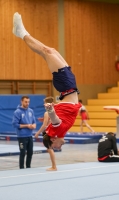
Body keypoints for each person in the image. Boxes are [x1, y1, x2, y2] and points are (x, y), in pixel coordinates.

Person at [13, 12, 81, 170]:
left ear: (53, 140)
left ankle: (21, 33)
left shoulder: (57, 130)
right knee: (50, 50)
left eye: (57, 147)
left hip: (66, 85)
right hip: (68, 87)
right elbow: (56, 121)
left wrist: (51, 110)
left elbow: (55, 119)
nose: (59, 147)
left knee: (46, 51)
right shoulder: (58, 133)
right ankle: (21, 32)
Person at [12, 96, 36, 169]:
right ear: (21, 101)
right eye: (25, 102)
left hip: (30, 135)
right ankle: (21, 168)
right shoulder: (17, 112)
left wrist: (34, 126)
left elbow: (34, 122)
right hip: (22, 136)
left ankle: (28, 167)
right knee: (22, 153)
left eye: (28, 102)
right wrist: (27, 126)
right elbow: (15, 124)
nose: (27, 103)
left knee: (30, 152)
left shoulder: (31, 111)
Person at [35, 97, 57, 171]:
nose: (44, 105)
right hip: (54, 131)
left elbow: (44, 125)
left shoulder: (47, 113)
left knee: (50, 149)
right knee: (50, 149)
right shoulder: (55, 111)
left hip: (48, 132)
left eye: (45, 103)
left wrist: (38, 133)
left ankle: (54, 166)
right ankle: (54, 165)